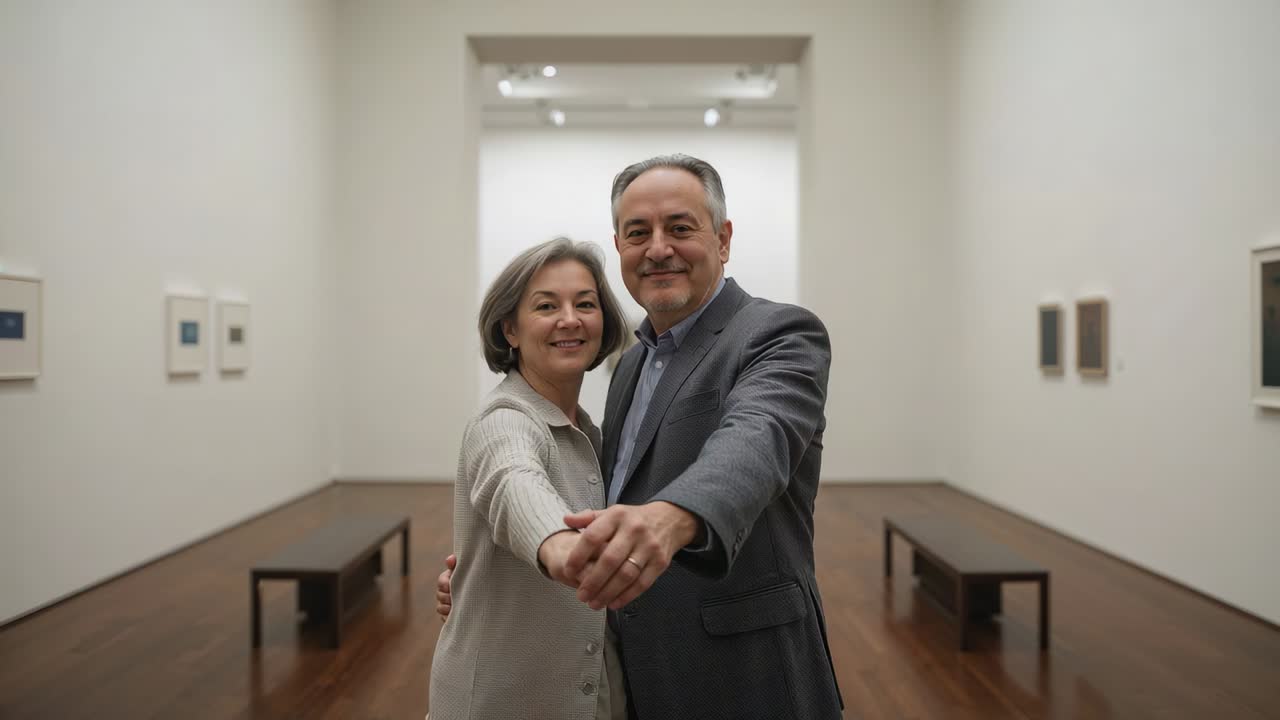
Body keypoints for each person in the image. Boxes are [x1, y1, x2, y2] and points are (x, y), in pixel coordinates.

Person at [438, 155, 843, 719]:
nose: (658, 249)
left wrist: (671, 515)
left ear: (723, 240)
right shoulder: (630, 367)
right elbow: (530, 486)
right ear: (621, 248)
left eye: (680, 228)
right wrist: (491, 575)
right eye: (638, 234)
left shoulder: (778, 333)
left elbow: (757, 440)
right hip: (643, 672)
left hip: (747, 674)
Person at [428, 237, 630, 720]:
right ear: (510, 330)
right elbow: (512, 482)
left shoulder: (590, 433)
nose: (570, 319)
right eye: (546, 305)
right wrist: (559, 545)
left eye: (585, 303)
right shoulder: (503, 420)